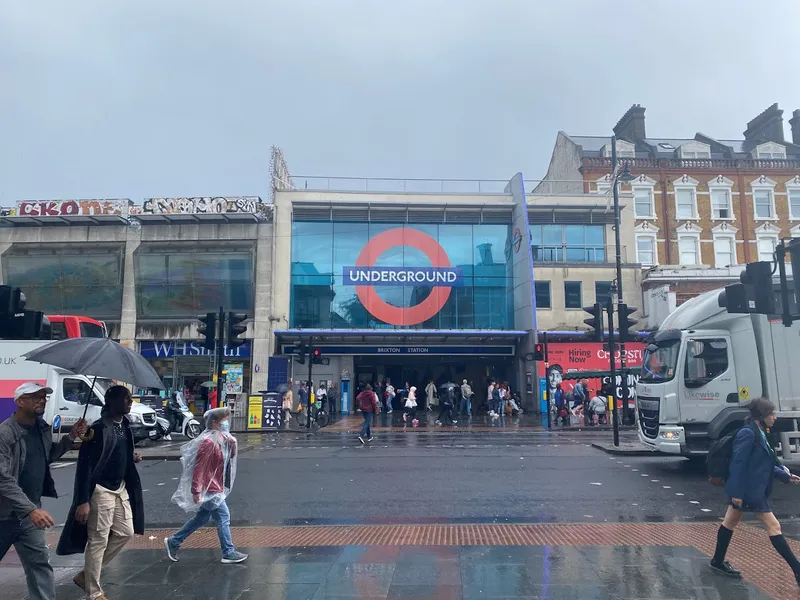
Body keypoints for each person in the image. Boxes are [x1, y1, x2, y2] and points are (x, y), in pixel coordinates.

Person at [0, 383, 86, 600]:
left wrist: (71, 437)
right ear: (19, 401)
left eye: (43, 397)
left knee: (40, 565)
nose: (41, 400)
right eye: (35, 397)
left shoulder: (42, 428)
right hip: (4, 514)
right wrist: (31, 510)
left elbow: (47, 457)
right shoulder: (5, 433)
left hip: (29, 515)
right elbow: (3, 479)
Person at [58, 385, 144, 600]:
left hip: (120, 487)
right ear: (112, 402)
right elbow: (85, 468)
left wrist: (130, 457)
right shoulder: (97, 429)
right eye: (126, 398)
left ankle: (85, 576)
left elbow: (118, 450)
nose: (130, 401)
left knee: (126, 532)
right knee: (98, 540)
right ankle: (94, 593)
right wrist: (83, 501)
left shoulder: (124, 426)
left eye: (130, 398)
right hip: (101, 490)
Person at [709, 397, 800, 582]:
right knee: (774, 526)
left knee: (729, 522)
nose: (775, 417)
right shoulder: (748, 434)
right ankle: (797, 570)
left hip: (750, 489)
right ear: (761, 416)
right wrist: (736, 493)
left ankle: (717, 561)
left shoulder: (759, 432)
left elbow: (761, 463)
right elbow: (739, 464)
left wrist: (785, 476)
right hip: (749, 490)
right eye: (771, 414)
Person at [165, 407, 247, 565]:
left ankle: (174, 542)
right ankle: (228, 552)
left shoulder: (222, 438)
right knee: (224, 517)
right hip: (210, 488)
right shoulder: (208, 442)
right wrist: (196, 491)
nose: (226, 423)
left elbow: (230, 459)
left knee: (201, 518)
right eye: (223, 421)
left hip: (217, 485)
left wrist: (232, 444)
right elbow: (199, 467)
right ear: (215, 422)